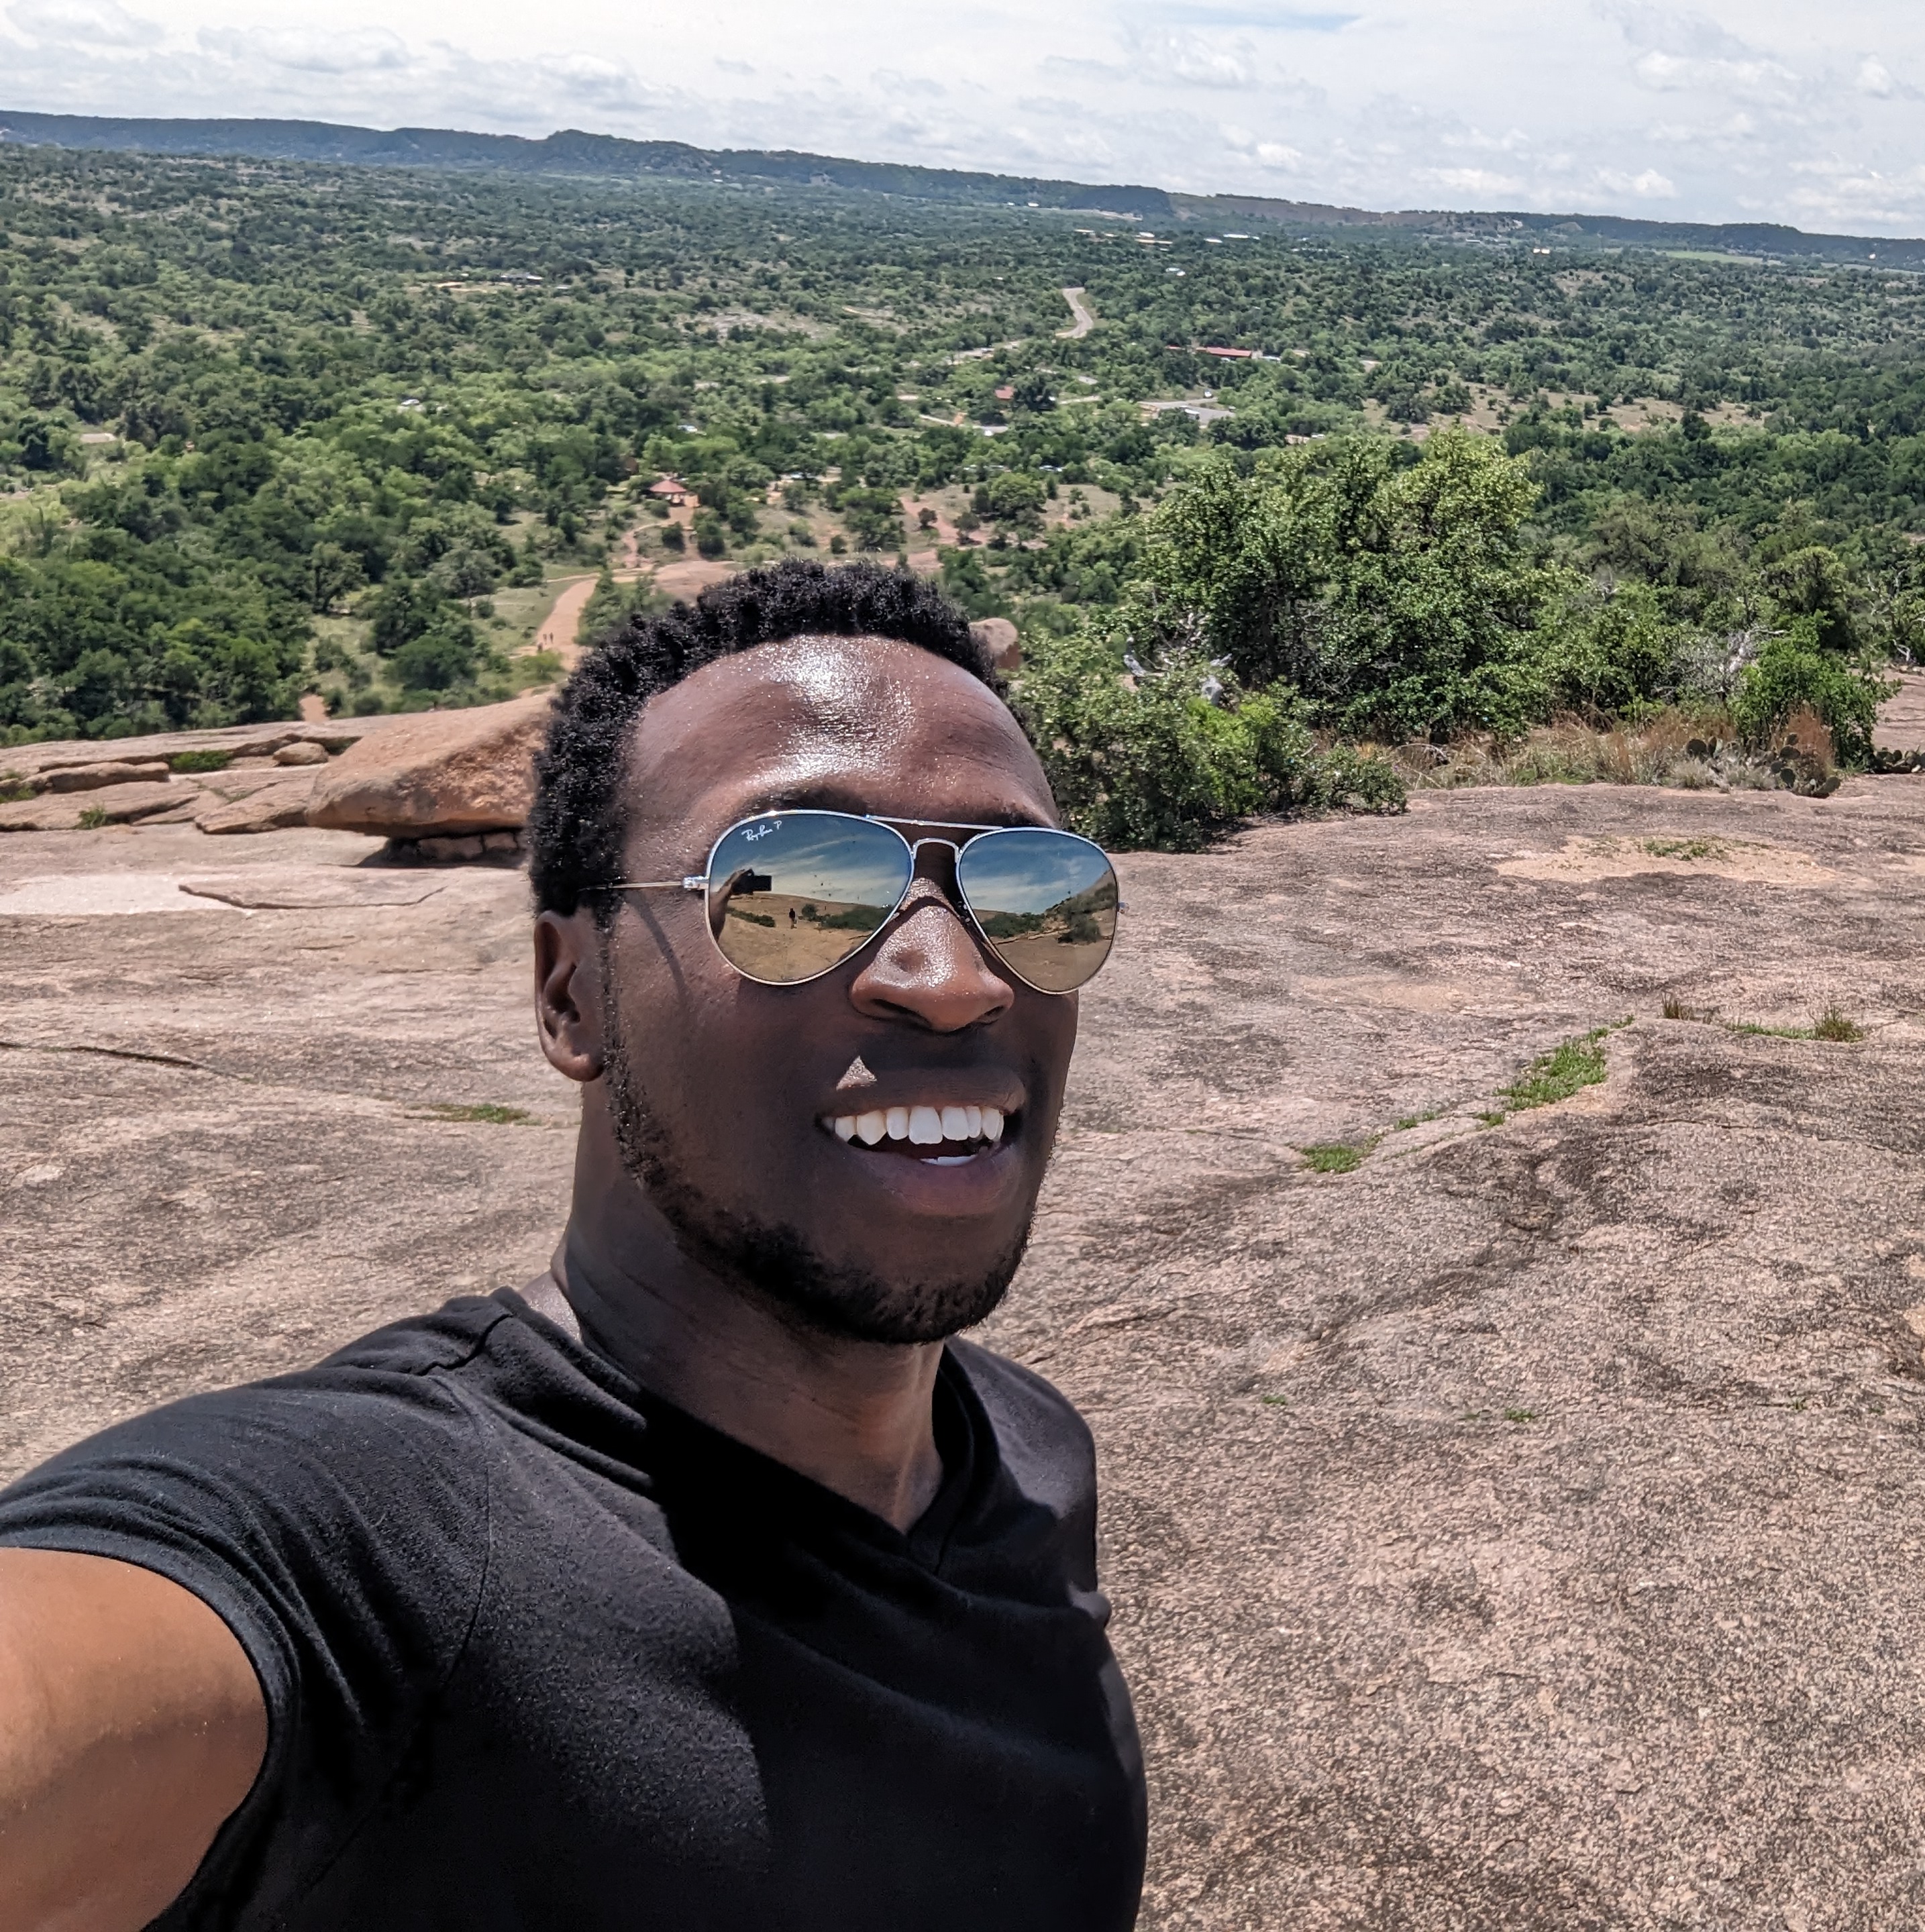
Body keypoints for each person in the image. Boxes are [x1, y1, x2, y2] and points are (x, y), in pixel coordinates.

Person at [0, 562, 1148, 1929]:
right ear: (570, 992)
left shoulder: (1028, 1456)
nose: (956, 976)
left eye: (1030, 891)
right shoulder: (376, 1550)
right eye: (792, 885)